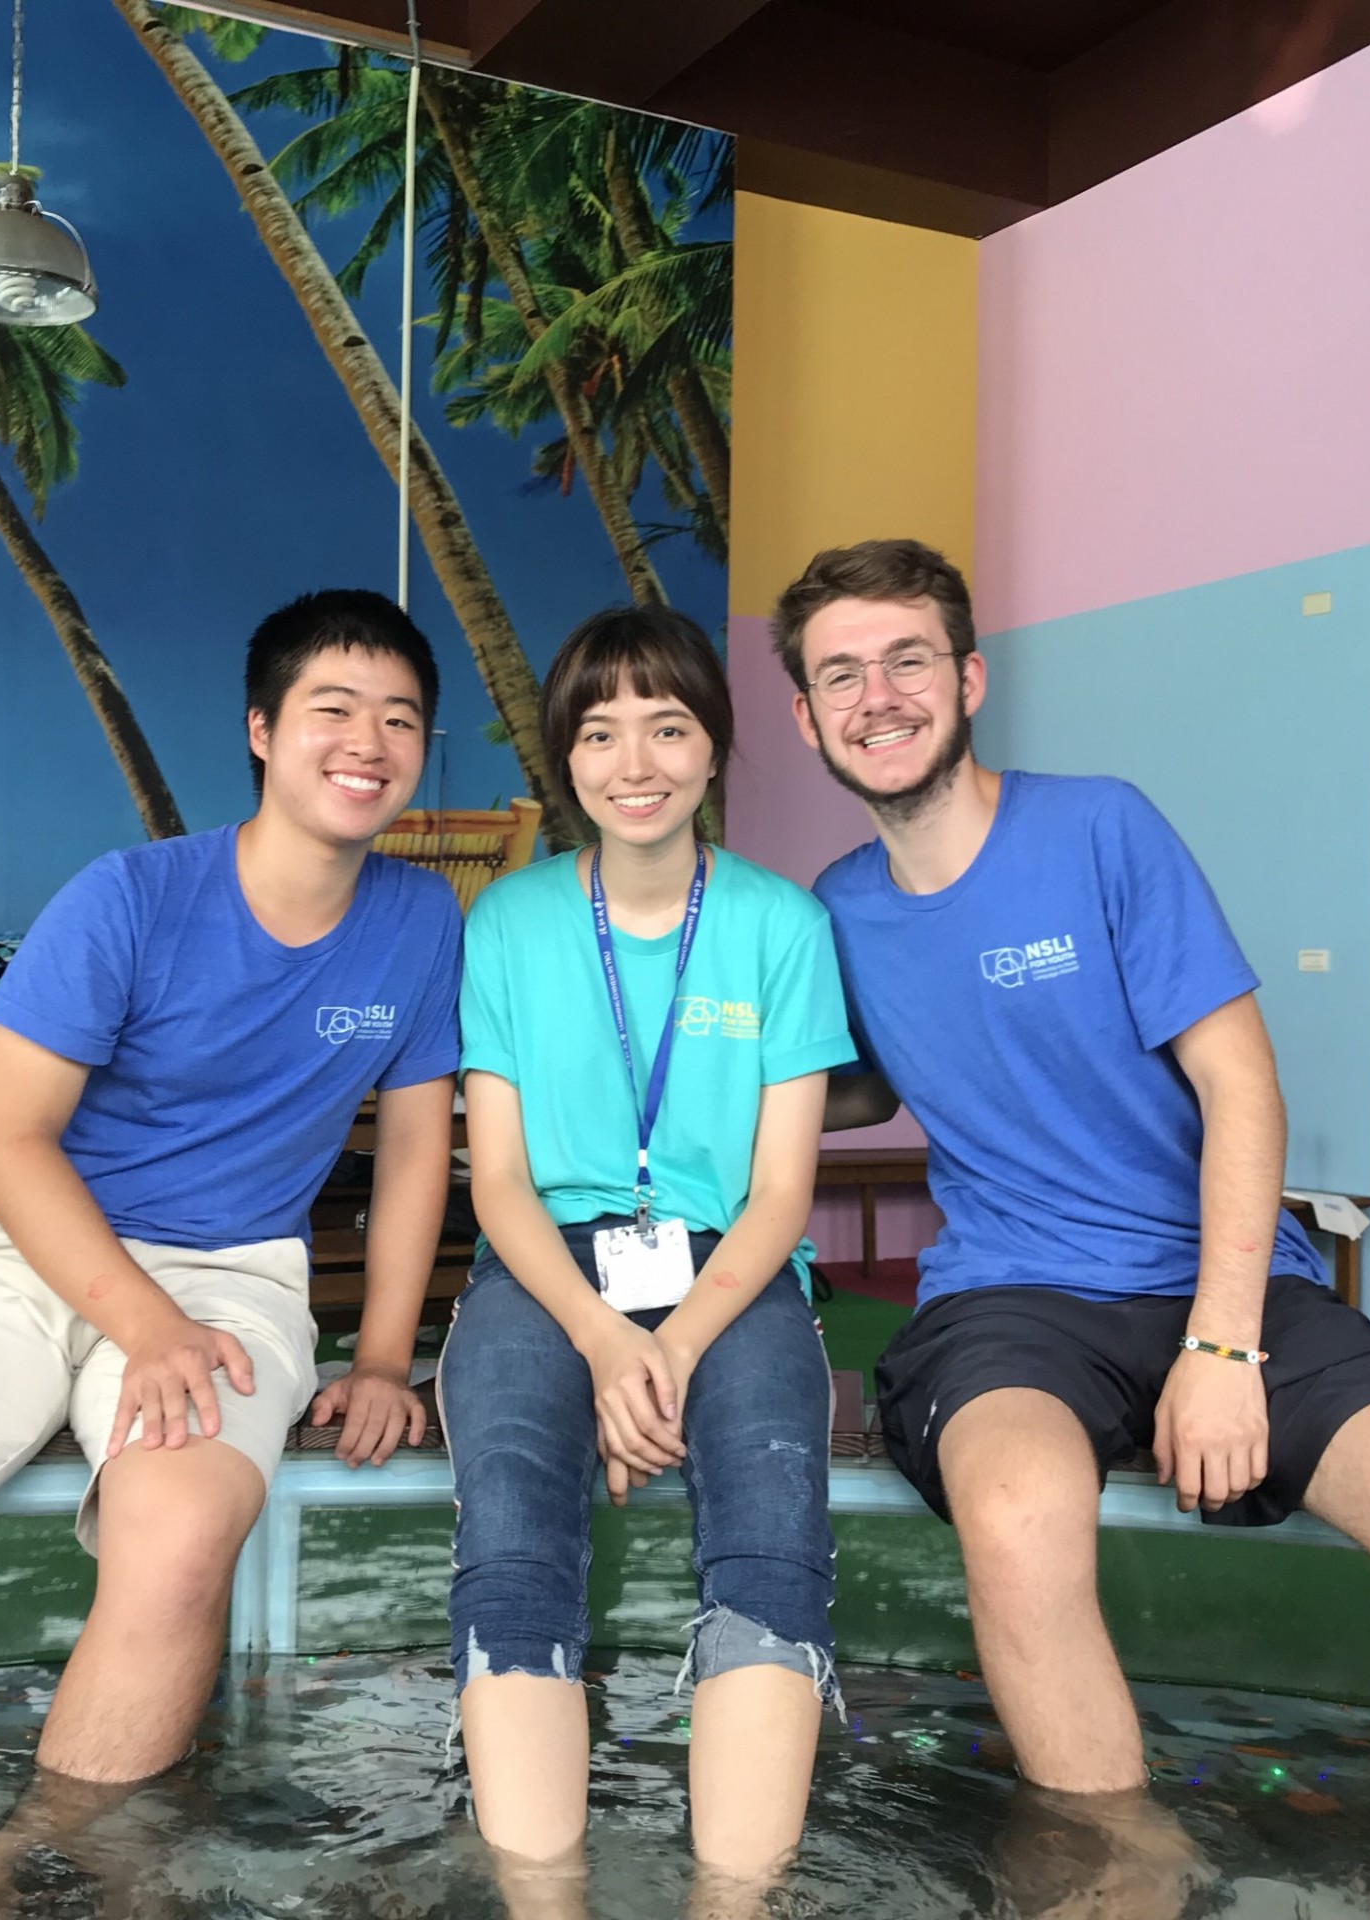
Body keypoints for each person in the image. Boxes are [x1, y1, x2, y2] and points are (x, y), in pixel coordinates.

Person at [775, 537, 1370, 1819]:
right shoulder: (831, 909)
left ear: (969, 679)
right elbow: (857, 1085)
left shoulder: (1100, 826)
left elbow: (1242, 1085)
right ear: (805, 716)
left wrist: (1223, 1348)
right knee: (1013, 1520)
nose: (876, 696)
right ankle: (1125, 1883)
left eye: (906, 660)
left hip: (1230, 1291)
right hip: (1008, 1301)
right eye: (841, 675)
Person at [0, 589, 462, 1805]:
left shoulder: (418, 919)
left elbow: (411, 1151)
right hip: (14, 1259)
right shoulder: (129, 896)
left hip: (232, 1278)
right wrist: (141, 1325)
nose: (368, 743)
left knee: (180, 1544)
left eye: (401, 720)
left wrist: (384, 1356)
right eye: (332, 709)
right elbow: (5, 1145)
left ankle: (48, 1874)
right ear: (260, 729)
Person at [439, 606, 854, 1896]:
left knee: (776, 1523)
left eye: (668, 727)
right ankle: (542, 1895)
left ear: (714, 749)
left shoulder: (783, 926)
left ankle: (735, 1895)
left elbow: (784, 1192)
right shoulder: (505, 925)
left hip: (732, 1271)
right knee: (509, 1520)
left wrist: (667, 1344)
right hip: (548, 1269)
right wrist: (604, 1337)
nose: (637, 762)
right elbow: (497, 1179)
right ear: (566, 756)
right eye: (602, 731)